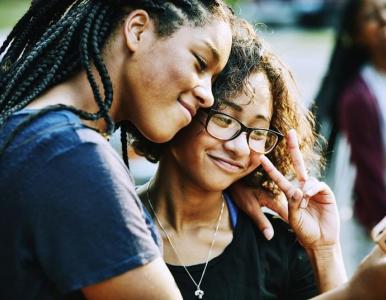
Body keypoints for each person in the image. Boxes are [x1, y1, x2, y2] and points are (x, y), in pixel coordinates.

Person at [0, 1, 235, 299]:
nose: (208, 97)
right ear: (137, 30)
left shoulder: (29, 132)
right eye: (200, 63)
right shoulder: (72, 159)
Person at [134, 27, 347, 299]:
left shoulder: (276, 243)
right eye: (224, 119)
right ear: (186, 106)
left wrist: (325, 249)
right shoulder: (113, 226)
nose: (239, 147)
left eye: (258, 132)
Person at [313, 0, 386, 230]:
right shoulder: (358, 99)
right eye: (371, 16)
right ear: (358, 35)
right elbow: (373, 192)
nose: (384, 18)